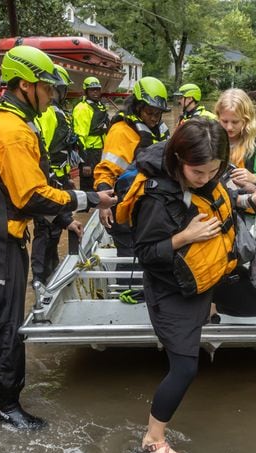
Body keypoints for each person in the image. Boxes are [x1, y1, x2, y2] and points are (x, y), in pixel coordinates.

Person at [0, 45, 116, 429]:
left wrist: (64, 221)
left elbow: (18, 184)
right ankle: (7, 406)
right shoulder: (11, 130)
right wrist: (89, 198)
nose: (52, 96)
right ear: (26, 85)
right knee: (8, 317)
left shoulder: (0, 117)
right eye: (47, 88)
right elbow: (30, 195)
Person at [115, 118, 256, 453]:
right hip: (172, 290)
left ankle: (212, 304)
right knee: (184, 368)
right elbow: (146, 254)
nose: (205, 178)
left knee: (254, 306)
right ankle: (151, 442)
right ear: (178, 159)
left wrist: (253, 200)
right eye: (198, 172)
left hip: (206, 280)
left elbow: (223, 202)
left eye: (213, 171)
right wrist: (185, 237)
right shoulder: (157, 196)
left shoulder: (209, 177)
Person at [94, 76, 171, 292]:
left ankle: (150, 293)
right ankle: (129, 294)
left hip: (152, 208)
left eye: (158, 113)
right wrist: (104, 204)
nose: (154, 118)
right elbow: (105, 170)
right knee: (130, 257)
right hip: (126, 208)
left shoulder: (159, 130)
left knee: (153, 255)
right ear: (137, 107)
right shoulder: (121, 132)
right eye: (149, 112)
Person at [30, 64, 78, 286]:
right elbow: (43, 152)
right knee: (44, 229)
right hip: (50, 181)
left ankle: (51, 271)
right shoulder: (49, 115)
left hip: (59, 180)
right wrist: (52, 179)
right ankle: (40, 277)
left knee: (55, 228)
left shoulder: (57, 114)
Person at [214, 88, 256, 190]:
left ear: (246, 120)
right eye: (224, 121)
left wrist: (254, 177)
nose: (229, 127)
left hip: (247, 199)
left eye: (235, 122)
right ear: (218, 117)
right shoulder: (211, 139)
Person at [72, 76, 109, 192]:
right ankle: (86, 206)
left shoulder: (99, 106)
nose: (95, 93)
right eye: (92, 90)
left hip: (100, 150)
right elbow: (80, 137)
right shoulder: (82, 108)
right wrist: (85, 162)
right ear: (86, 91)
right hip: (89, 151)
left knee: (99, 178)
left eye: (97, 89)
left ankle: (97, 203)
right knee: (87, 180)